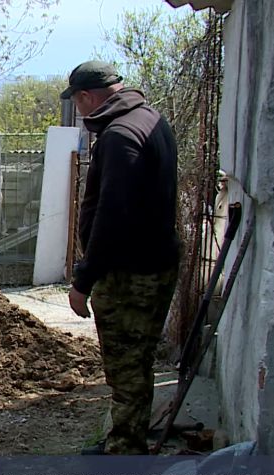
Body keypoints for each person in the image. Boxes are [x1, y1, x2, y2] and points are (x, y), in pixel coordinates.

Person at [61, 61, 180, 455]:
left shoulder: (119, 135)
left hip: (130, 273)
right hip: (154, 262)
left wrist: (83, 280)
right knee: (138, 359)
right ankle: (127, 438)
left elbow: (112, 216)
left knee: (126, 365)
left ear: (86, 97)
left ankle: (125, 456)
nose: (79, 112)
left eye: (77, 103)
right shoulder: (151, 119)